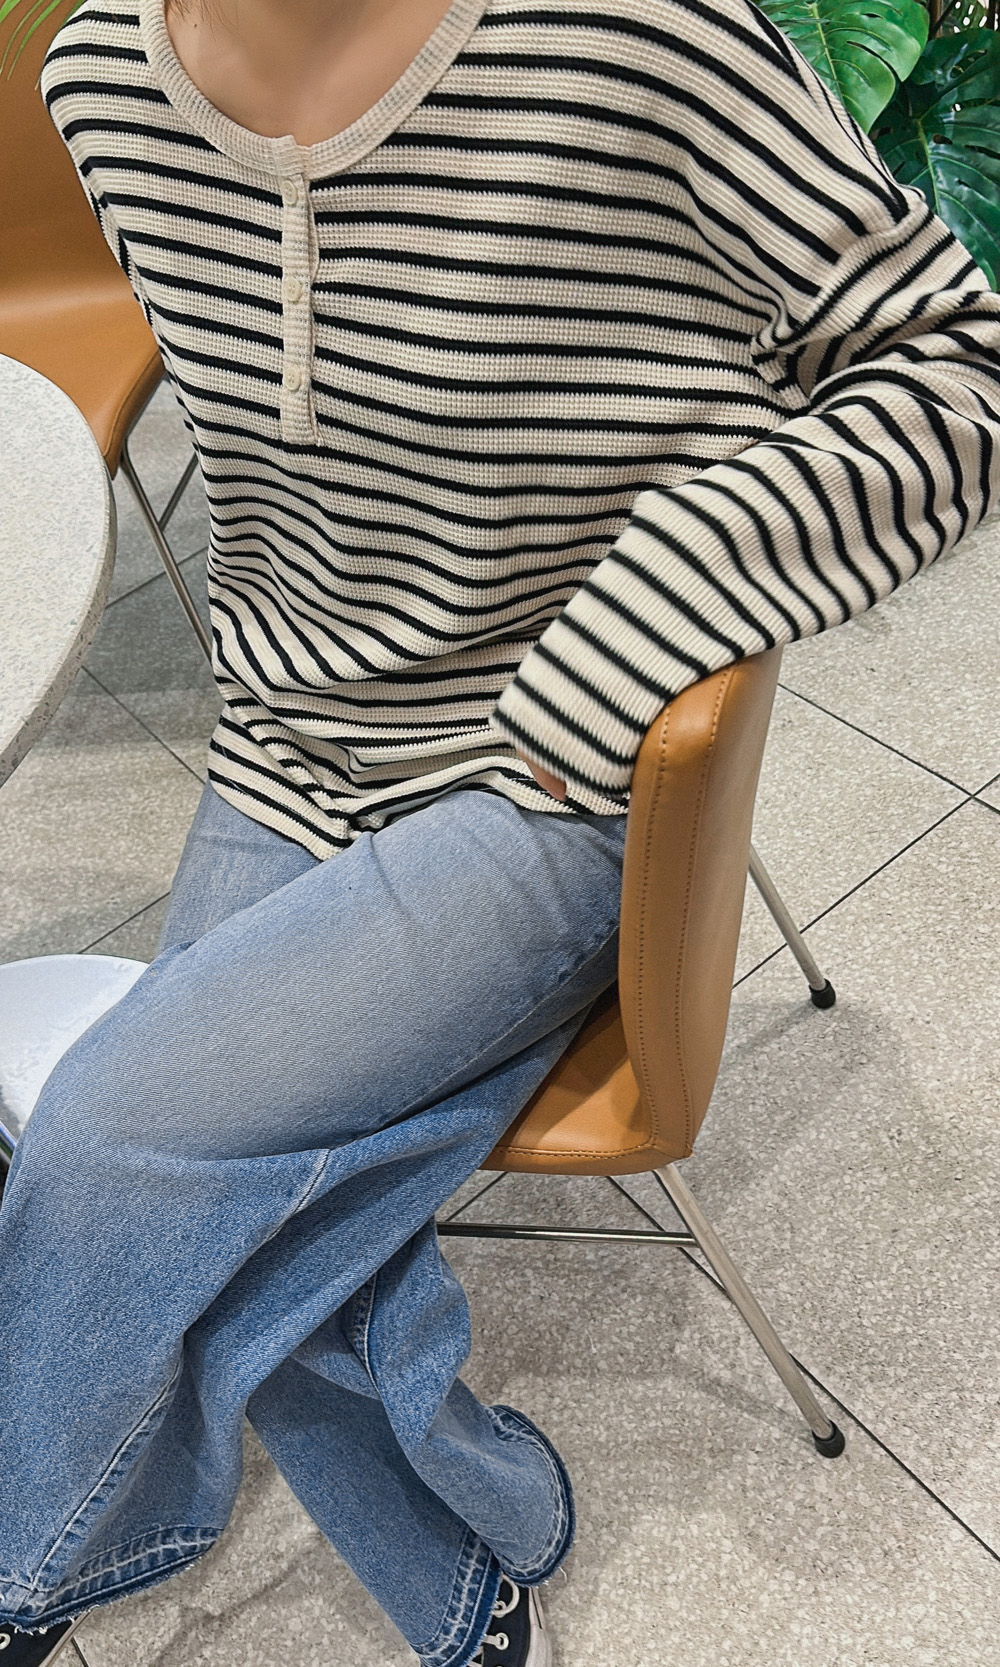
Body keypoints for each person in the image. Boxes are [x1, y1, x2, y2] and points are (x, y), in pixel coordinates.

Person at [1, 0, 998, 1662]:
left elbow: (956, 370)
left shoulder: (629, 36)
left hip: (545, 765)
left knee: (107, 1141)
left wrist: (637, 627)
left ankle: (19, 1564)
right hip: (292, 738)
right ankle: (484, 1555)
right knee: (223, 1194)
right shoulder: (99, 79)